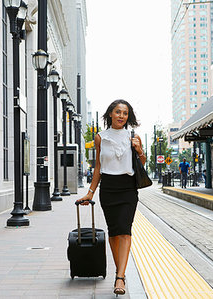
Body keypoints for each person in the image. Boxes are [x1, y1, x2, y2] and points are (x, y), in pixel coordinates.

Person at [76, 99, 145, 296]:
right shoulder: (100, 137)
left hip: (128, 189)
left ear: (128, 116)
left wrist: (139, 150)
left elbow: (142, 162)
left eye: (125, 113)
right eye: (118, 112)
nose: (121, 116)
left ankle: (120, 277)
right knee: (114, 233)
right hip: (108, 188)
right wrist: (90, 192)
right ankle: (119, 271)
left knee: (124, 230)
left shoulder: (133, 135)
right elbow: (98, 167)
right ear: (110, 114)